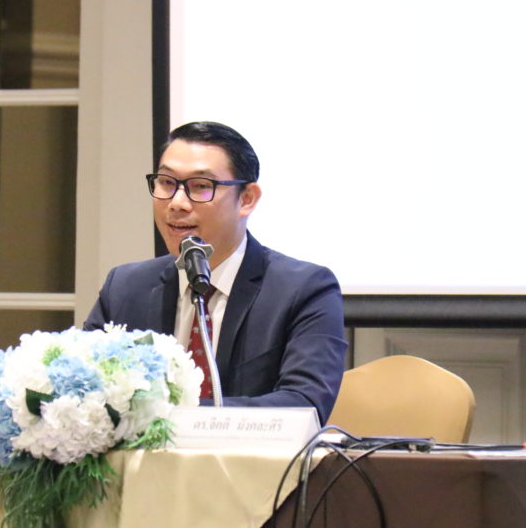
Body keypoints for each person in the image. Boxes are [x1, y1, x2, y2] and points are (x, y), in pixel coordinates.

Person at [83, 121, 347, 423]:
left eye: (200, 186)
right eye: (166, 183)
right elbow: (83, 392)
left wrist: (172, 418)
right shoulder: (125, 288)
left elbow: (305, 404)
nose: (177, 203)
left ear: (246, 199)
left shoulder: (304, 290)